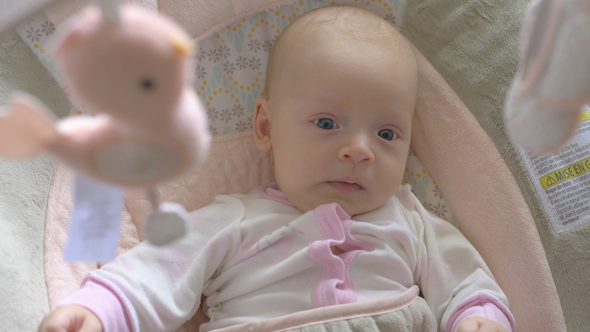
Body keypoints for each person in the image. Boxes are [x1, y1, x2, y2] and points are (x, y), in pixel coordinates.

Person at [38, 6, 515, 332]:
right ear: (266, 126)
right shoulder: (234, 219)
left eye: (387, 134)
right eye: (327, 123)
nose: (359, 151)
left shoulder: (411, 222)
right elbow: (156, 272)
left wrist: (481, 316)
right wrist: (97, 311)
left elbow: (469, 284)